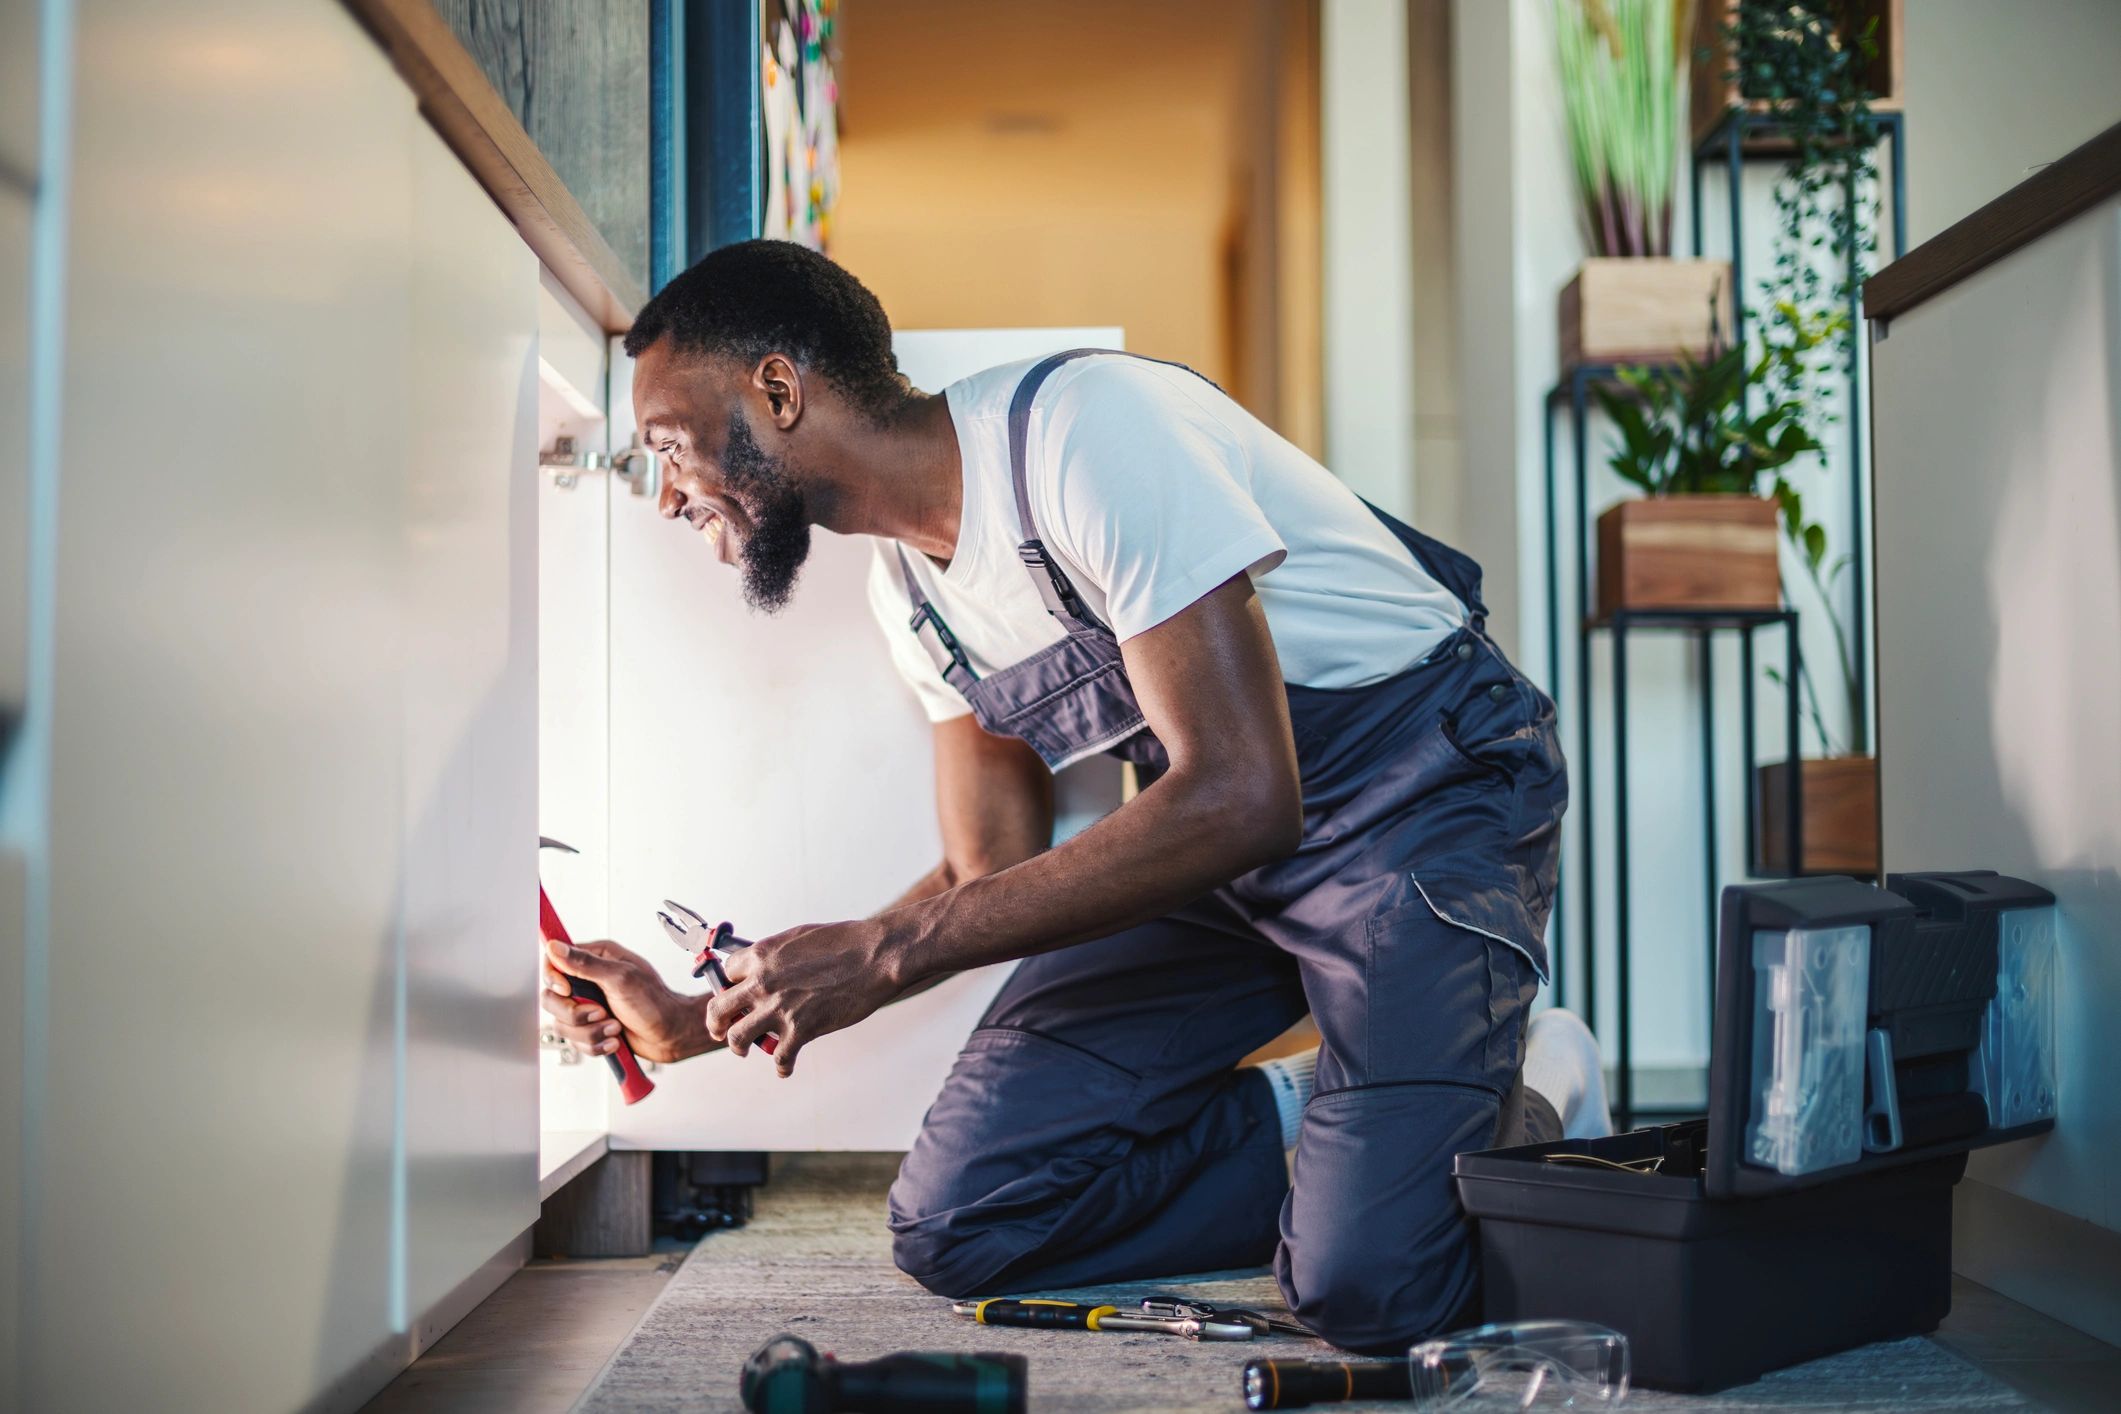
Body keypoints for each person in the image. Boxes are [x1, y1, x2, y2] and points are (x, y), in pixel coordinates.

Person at [539, 239, 1609, 1352]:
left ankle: (1528, 1084)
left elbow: (1244, 788)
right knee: (962, 1222)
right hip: (1217, 854)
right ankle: (1334, 1117)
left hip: (1419, 795)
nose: (664, 494)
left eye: (669, 445)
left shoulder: (1085, 434)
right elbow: (984, 876)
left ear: (777, 388)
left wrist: (884, 947)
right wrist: (706, 1016)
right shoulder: (909, 598)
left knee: (1373, 1290)